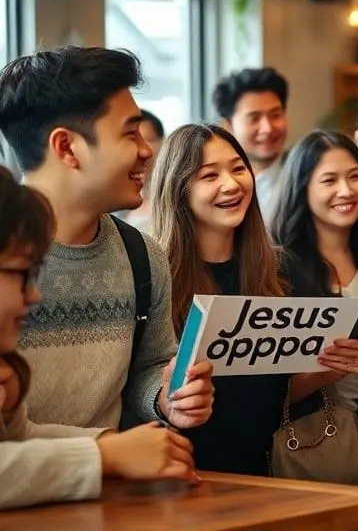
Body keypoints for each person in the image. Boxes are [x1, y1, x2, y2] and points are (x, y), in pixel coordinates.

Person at [0, 46, 213, 434]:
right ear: (67, 147)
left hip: (111, 487)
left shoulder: (141, 257)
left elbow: (148, 366)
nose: (147, 151)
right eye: (129, 133)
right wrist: (102, 453)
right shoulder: (4, 263)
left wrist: (166, 398)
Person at [0, 166, 198, 510]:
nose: (33, 295)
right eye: (19, 274)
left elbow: (20, 440)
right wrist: (104, 454)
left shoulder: (144, 255)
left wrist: (115, 444)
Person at [273, 130, 358, 530]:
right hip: (310, 434)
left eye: (355, 176)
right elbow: (264, 390)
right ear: (302, 189)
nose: (346, 190)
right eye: (329, 180)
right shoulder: (277, 270)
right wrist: (323, 372)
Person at [149, 124, 289, 476]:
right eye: (209, 175)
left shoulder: (281, 270)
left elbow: (278, 390)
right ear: (178, 189)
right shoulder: (153, 276)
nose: (231, 184)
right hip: (181, 474)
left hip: (269, 476)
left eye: (239, 168)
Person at [212, 67, 290, 226]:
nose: (267, 128)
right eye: (254, 118)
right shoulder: (217, 185)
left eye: (275, 115)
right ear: (228, 125)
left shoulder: (304, 174)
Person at [120, 109, 166, 232]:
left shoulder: (174, 200)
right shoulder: (114, 202)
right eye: (131, 141)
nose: (141, 150)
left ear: (163, 144)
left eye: (147, 140)